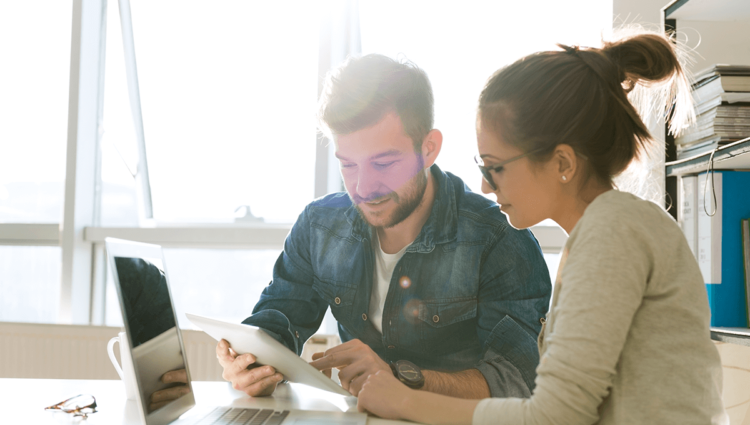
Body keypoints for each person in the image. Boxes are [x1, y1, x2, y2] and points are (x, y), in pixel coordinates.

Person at [355, 32, 728, 424]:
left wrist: (404, 402)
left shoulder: (613, 232)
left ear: (563, 163)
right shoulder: (602, 231)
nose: (484, 185)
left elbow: (554, 416)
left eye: (494, 167)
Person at [211, 53, 552, 400]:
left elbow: (517, 382)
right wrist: (249, 364)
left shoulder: (499, 239)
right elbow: (277, 319)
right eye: (348, 165)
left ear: (429, 148)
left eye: (384, 163)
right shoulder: (318, 227)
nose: (363, 188)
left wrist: (397, 379)